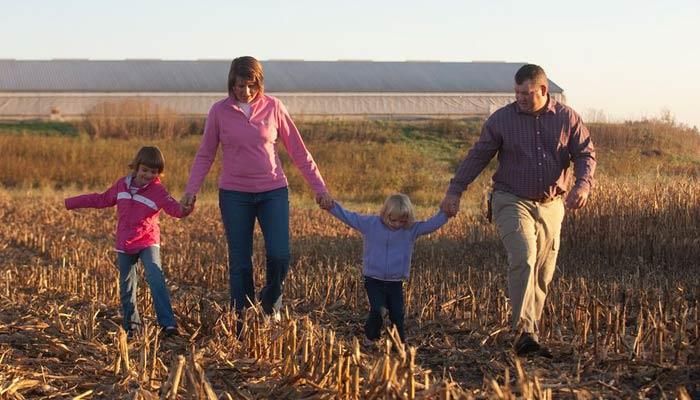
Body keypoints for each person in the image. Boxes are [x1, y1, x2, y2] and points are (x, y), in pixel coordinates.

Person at [440, 64, 596, 357]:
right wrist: (455, 189)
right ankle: (524, 332)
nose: (521, 98)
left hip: (552, 204)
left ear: (543, 90)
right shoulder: (502, 120)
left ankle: (531, 331)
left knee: (543, 270)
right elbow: (478, 156)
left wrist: (583, 185)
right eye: (517, 92)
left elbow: (585, 153)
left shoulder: (567, 118)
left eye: (527, 93)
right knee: (524, 255)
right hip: (511, 199)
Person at [180, 56, 332, 320]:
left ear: (259, 83)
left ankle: (270, 304)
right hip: (234, 194)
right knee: (240, 262)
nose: (246, 92)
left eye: (251, 86)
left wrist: (319, 187)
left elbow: (298, 151)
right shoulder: (219, 111)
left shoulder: (274, 107)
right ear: (231, 83)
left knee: (279, 255)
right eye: (240, 86)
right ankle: (242, 317)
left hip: (272, 191)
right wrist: (192, 189)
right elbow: (205, 154)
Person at [65, 146, 193, 337]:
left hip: (148, 240)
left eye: (153, 172)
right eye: (145, 170)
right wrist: (71, 202)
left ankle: (168, 325)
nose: (148, 175)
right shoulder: (121, 185)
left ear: (158, 174)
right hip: (125, 243)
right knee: (127, 287)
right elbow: (101, 199)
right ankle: (132, 327)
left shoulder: (158, 191)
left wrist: (187, 207)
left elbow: (175, 210)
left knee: (155, 277)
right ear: (136, 167)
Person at [323, 193, 449, 345]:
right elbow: (349, 217)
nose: (396, 224)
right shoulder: (371, 224)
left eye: (401, 221)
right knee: (378, 310)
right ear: (385, 213)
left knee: (398, 314)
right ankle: (371, 337)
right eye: (392, 219)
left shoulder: (410, 230)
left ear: (408, 219)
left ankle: (399, 343)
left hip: (395, 282)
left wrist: (446, 214)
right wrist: (331, 206)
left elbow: (431, 224)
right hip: (373, 280)